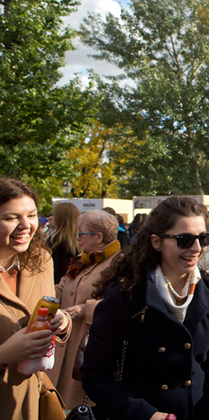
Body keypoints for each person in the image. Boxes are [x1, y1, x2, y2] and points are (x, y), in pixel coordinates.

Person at [81, 197, 209, 420]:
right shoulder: (126, 295)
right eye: (184, 239)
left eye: (203, 238)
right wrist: (148, 415)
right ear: (156, 242)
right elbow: (95, 375)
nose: (197, 248)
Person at [0, 178, 70, 420]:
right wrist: (4, 354)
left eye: (31, 215)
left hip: (33, 401)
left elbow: (47, 309)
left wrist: (62, 321)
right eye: (10, 218)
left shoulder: (42, 260)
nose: (25, 225)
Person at [48, 210, 121, 407]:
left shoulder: (120, 264)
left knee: (81, 405)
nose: (78, 238)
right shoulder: (83, 258)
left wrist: (85, 308)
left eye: (82, 233)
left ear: (99, 237)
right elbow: (63, 287)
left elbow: (122, 305)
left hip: (88, 349)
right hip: (62, 342)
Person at [46, 202, 82, 284]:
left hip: (56, 288)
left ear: (59, 218)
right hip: (75, 288)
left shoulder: (54, 242)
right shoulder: (82, 241)